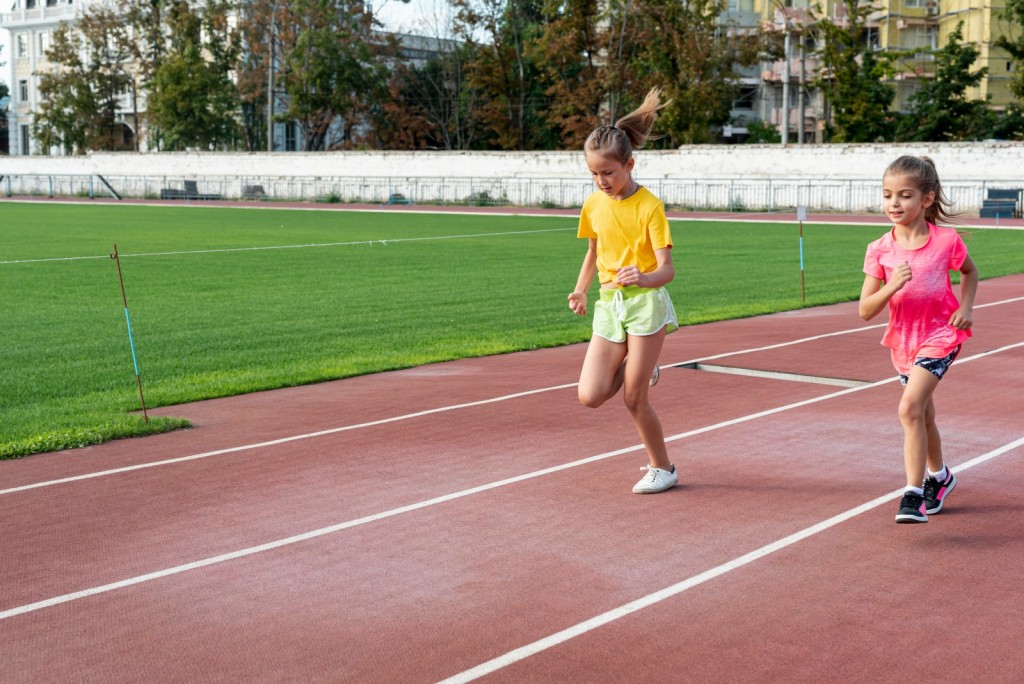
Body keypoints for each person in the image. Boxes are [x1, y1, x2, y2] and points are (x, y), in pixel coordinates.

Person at [568, 87, 680, 494]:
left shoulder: (650, 207)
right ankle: (641, 362)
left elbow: (666, 270)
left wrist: (644, 278)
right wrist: (581, 289)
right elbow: (594, 252)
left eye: (608, 173)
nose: (601, 181)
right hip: (609, 305)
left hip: (647, 305)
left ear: (629, 164)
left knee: (634, 398)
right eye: (594, 174)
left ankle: (663, 467)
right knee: (591, 395)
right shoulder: (594, 204)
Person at [859, 155, 978, 523]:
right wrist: (892, 285)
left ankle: (912, 496)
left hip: (942, 335)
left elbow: (970, 272)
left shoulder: (946, 241)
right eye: (887, 195)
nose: (894, 204)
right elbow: (865, 309)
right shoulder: (879, 249)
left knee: (909, 408)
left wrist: (967, 307)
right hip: (903, 342)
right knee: (923, 415)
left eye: (904, 195)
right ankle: (940, 477)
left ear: (926, 199)